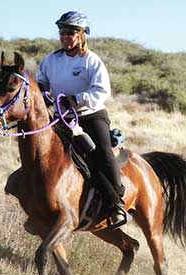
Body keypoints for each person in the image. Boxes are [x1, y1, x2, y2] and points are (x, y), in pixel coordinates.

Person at [36, 11, 127, 228]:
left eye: (69, 32)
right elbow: (41, 81)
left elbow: (102, 90)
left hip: (90, 116)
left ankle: (117, 204)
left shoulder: (91, 60)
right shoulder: (51, 60)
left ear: (82, 34)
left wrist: (75, 99)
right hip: (62, 118)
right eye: (62, 32)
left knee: (101, 155)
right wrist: (44, 93)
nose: (64, 36)